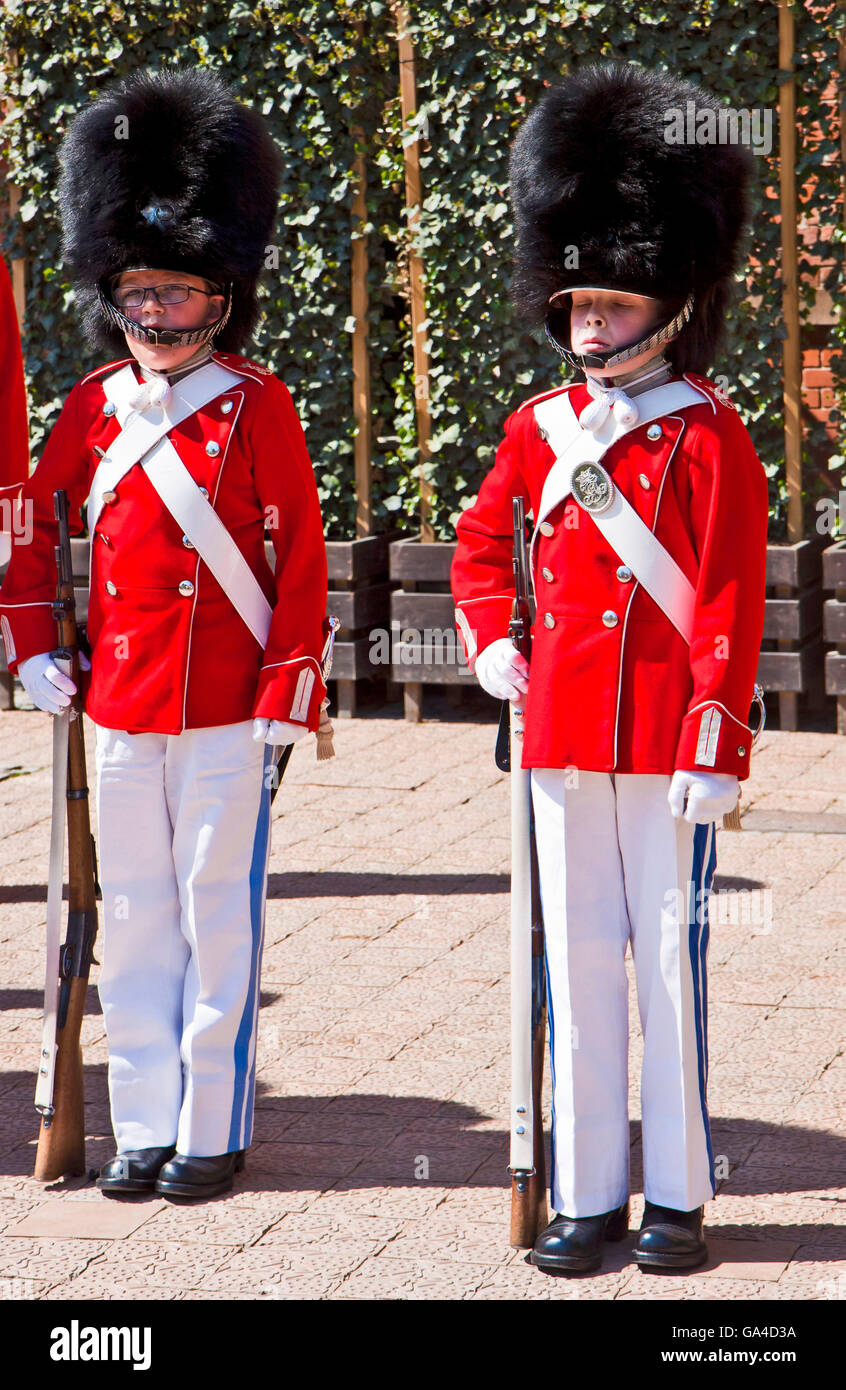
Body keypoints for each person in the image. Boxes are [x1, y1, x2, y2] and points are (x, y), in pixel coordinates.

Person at [451, 63, 768, 1273]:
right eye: (577, 304)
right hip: (559, 741)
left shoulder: (708, 431)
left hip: (664, 749)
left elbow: (733, 597)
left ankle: (678, 1197)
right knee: (576, 977)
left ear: (668, 305)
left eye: (614, 306)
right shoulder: (539, 430)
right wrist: (490, 638)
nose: (591, 324)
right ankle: (587, 1195)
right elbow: (486, 542)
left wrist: (715, 743)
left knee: (669, 978)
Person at [0, 69, 328, 1200]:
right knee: (132, 921)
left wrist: (292, 682)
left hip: (233, 705)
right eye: (137, 293)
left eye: (178, 295)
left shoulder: (258, 405)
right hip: (122, 704)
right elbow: (32, 525)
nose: (155, 314)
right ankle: (141, 1122)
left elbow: (300, 563)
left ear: (221, 297)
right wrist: (31, 639)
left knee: (215, 919)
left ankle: (212, 1124)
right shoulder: (93, 407)